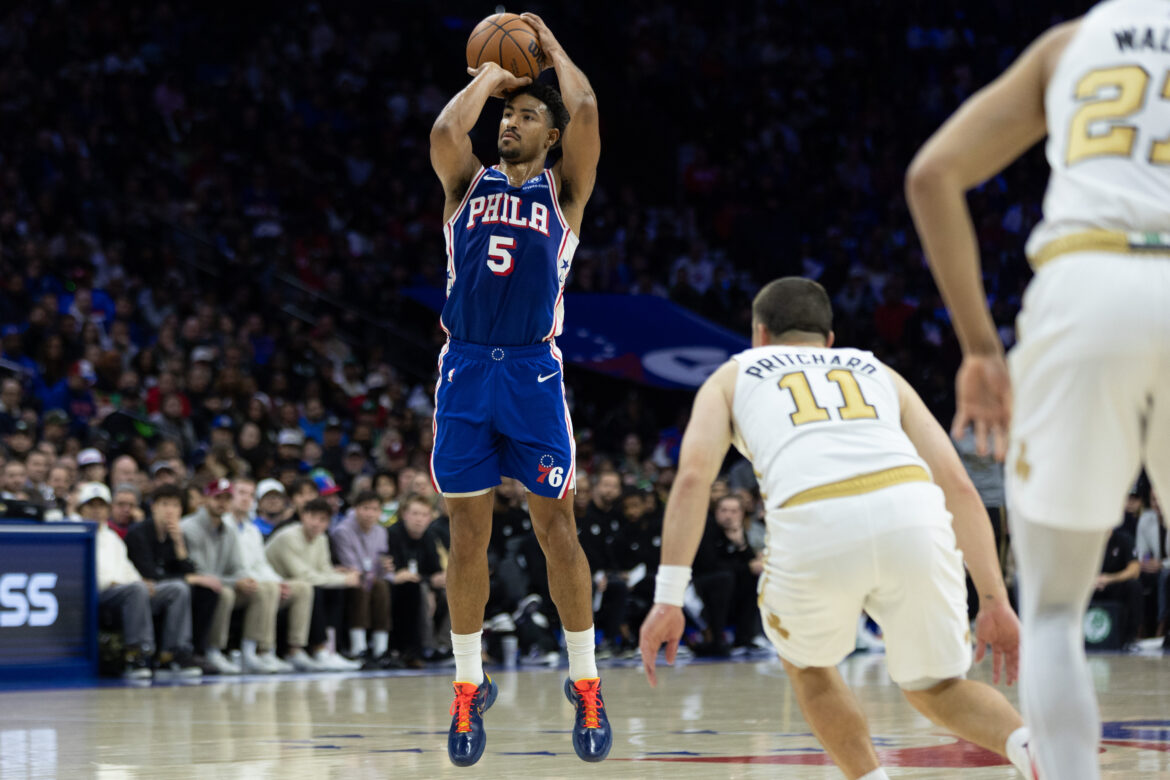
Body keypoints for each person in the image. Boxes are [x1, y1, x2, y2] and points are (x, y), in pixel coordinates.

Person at [905, 2, 1170, 775]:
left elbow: (931, 174)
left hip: (1086, 284)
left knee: (1054, 610)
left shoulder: (1070, 43)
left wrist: (980, 349)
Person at [639, 279, 1038, 780]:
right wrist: (995, 599)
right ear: (830, 340)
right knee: (936, 686)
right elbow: (957, 483)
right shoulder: (877, 370)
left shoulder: (732, 374)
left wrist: (668, 598)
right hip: (913, 511)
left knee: (810, 668)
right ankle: (1033, 750)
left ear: (759, 335)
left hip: (815, 517)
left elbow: (694, 477)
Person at [428, 11, 607, 766]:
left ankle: (586, 681)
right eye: (508, 115)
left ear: (551, 135)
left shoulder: (565, 193)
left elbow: (586, 107)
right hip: (466, 370)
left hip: (533, 372)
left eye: (527, 115)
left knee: (556, 529)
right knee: (467, 535)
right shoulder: (466, 184)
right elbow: (446, 132)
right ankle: (468, 686)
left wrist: (550, 49)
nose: (511, 122)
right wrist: (491, 78)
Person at [85, 482, 201, 679]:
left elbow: (127, 568)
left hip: (127, 590)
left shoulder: (112, 537)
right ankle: (137, 654)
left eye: (101, 506)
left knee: (178, 588)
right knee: (137, 589)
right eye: (91, 506)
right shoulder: (76, 533)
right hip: (100, 593)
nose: (97, 511)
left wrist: (142, 581)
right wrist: (123, 583)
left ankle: (173, 653)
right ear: (81, 509)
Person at [182, 479, 282, 674]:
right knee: (225, 593)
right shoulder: (190, 527)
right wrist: (236, 582)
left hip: (221, 583)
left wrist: (245, 579)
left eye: (227, 498)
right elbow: (200, 572)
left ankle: (250, 652)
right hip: (198, 587)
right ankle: (214, 650)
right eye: (217, 498)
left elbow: (238, 567)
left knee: (261, 589)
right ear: (205, 499)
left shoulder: (229, 530)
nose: (222, 503)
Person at [224, 477, 317, 672]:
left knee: (302, 588)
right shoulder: (224, 526)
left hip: (256, 581)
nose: (246, 499)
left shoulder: (251, 529)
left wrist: (280, 582)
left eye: (250, 495)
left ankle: (295, 650)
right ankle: (257, 651)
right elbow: (237, 566)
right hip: (234, 583)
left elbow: (261, 564)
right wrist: (269, 582)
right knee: (267, 588)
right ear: (230, 496)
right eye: (241, 493)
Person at [265, 497, 362, 670]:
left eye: (322, 519)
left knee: (336, 590)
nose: (316, 523)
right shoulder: (288, 537)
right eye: (313, 517)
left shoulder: (321, 538)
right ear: (303, 516)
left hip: (297, 585)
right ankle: (313, 650)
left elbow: (324, 570)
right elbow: (303, 575)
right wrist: (344, 579)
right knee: (314, 589)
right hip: (276, 585)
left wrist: (344, 575)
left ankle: (330, 649)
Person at [330, 490, 393, 667]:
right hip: (351, 578)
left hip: (372, 577)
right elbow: (350, 565)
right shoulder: (342, 531)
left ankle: (380, 649)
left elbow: (381, 561)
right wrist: (373, 573)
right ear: (356, 509)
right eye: (365, 508)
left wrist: (387, 568)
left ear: (380, 512)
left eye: (375, 509)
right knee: (362, 586)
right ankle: (358, 648)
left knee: (382, 586)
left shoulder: (381, 531)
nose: (370, 513)